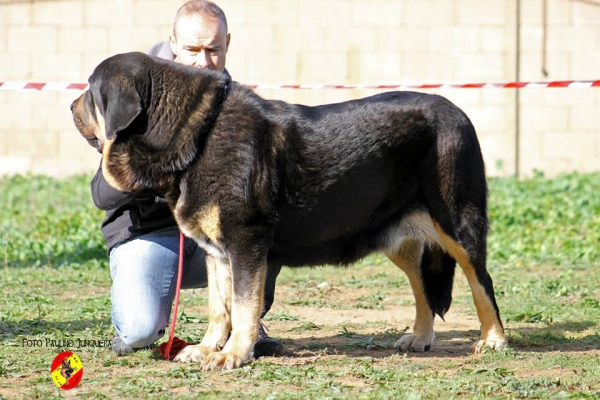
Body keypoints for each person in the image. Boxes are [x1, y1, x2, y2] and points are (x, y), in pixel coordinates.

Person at [91, 0, 283, 358]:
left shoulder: (235, 103)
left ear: (228, 43)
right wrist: (156, 167)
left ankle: (247, 323)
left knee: (262, 225)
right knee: (139, 332)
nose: (203, 61)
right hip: (152, 235)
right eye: (193, 49)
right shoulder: (139, 98)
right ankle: (132, 324)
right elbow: (103, 196)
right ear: (174, 44)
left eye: (213, 50)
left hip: (215, 236)